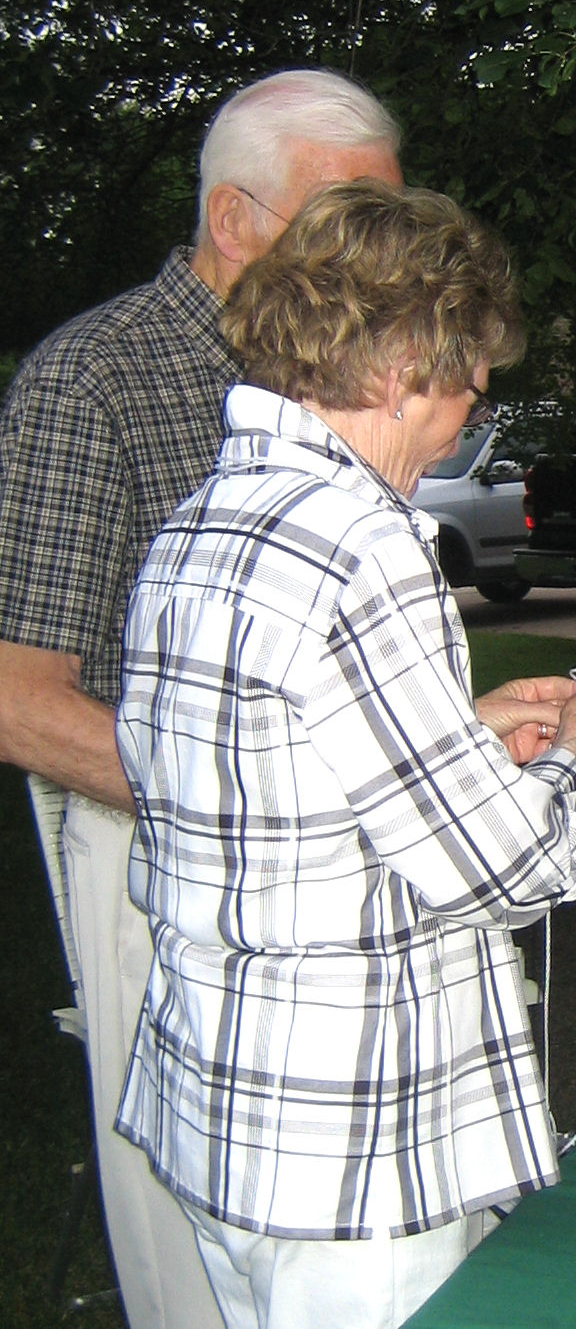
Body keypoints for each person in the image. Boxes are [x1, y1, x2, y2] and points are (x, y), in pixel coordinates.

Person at [114, 179, 576, 1329]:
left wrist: (474, 726)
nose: (467, 411)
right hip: (350, 1148)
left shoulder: (203, 521)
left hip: (226, 1109)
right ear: (409, 362)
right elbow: (508, 869)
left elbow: (291, 778)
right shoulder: (360, 544)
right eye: (469, 381)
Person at [0, 68, 403, 1329]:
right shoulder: (95, 379)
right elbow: (16, 697)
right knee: (194, 1243)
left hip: (343, 862)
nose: (376, 257)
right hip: (155, 860)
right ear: (234, 220)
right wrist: (239, 800)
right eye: (342, 219)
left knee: (343, 1224)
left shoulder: (333, 373)